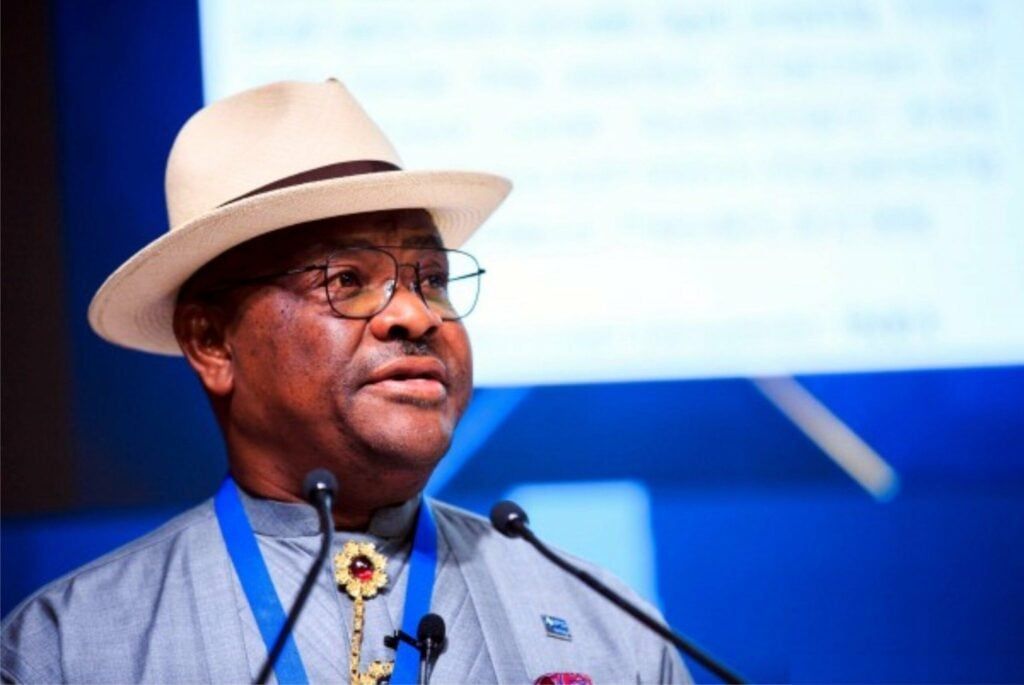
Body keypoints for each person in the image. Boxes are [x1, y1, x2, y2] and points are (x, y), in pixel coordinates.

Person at [1, 79, 689, 684]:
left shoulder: (606, 627)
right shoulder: (66, 648)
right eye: (348, 280)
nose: (417, 314)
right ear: (211, 341)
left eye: (432, 279)